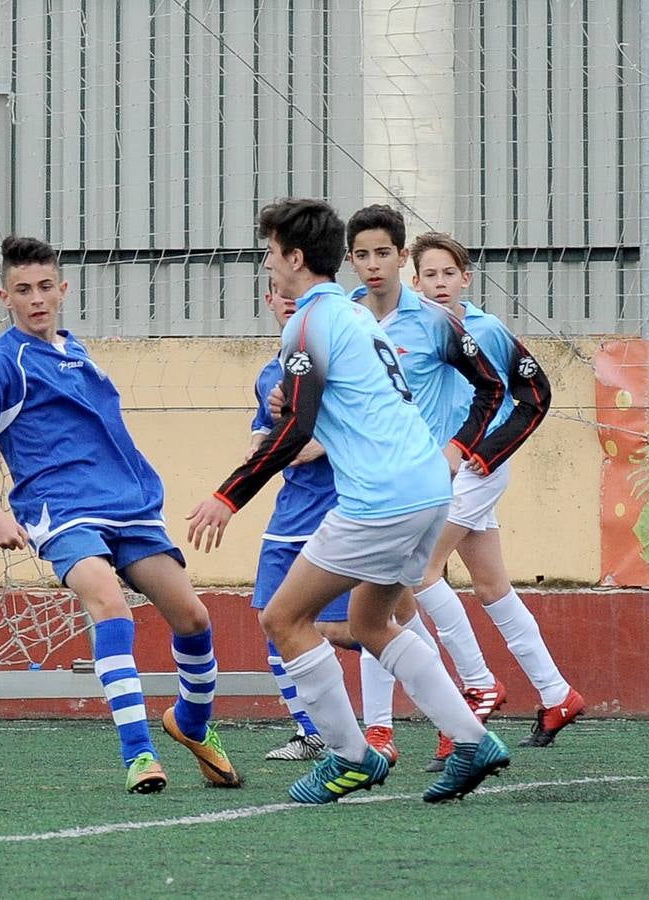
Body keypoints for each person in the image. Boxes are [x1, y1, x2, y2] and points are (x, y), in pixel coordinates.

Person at [188, 198, 509, 805]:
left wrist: (227, 496)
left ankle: (349, 756)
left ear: (295, 257)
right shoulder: (357, 317)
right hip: (428, 491)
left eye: (270, 252)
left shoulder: (307, 324)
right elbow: (328, 402)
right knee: (369, 622)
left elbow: (298, 427)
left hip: (380, 499)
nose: (267, 263)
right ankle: (472, 739)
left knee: (283, 619)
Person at [0, 235, 241, 794]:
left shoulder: (77, 350)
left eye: (44, 287)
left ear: (62, 289)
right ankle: (138, 755)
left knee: (194, 618)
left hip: (129, 506)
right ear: (4, 296)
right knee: (108, 601)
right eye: (22, 290)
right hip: (59, 510)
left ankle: (191, 724)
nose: (36, 299)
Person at [344, 204, 511, 766]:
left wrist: (461, 450)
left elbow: (494, 389)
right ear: (349, 261)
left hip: (419, 489)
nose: (373, 265)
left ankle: (418, 722)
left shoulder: (436, 322)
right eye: (362, 255)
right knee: (386, 609)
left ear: (401, 260)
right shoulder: (347, 317)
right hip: (364, 483)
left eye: (383, 254)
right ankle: (453, 711)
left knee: (386, 605)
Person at [410, 231, 583, 764]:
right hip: (429, 472)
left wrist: (485, 453)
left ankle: (477, 685)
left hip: (474, 470)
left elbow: (535, 395)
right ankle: (557, 694)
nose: (439, 284)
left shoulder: (488, 330)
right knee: (491, 585)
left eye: (448, 273)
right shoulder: (405, 327)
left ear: (466, 278)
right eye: (429, 275)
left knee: (419, 573)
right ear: (414, 281)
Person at [251, 283, 398, 765]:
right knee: (272, 620)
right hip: (288, 513)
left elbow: (367, 426)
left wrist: (325, 442)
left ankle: (416, 667)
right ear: (269, 302)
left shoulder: (337, 360)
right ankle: (312, 730)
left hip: (337, 509)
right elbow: (263, 436)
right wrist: (263, 447)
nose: (288, 299)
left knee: (343, 630)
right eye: (277, 293)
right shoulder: (269, 374)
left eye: (295, 291)